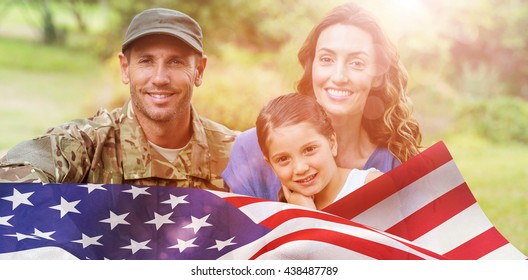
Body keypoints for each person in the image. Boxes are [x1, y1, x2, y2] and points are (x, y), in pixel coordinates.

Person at [0, 8, 238, 191]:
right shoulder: (86, 145)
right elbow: (13, 175)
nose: (160, 78)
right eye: (146, 61)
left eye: (176, 62)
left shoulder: (239, 155)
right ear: (125, 68)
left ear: (200, 70)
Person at [222, 2, 422, 200]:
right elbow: (239, 230)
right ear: (312, 66)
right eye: (327, 59)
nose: (339, 76)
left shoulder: (396, 163)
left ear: (377, 75)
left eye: (356, 63)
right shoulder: (251, 150)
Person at [256, 93, 382, 210]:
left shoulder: (373, 187)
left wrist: (310, 217)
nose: (300, 168)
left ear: (332, 143)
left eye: (309, 150)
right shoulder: (283, 215)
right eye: (283, 159)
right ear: (271, 165)